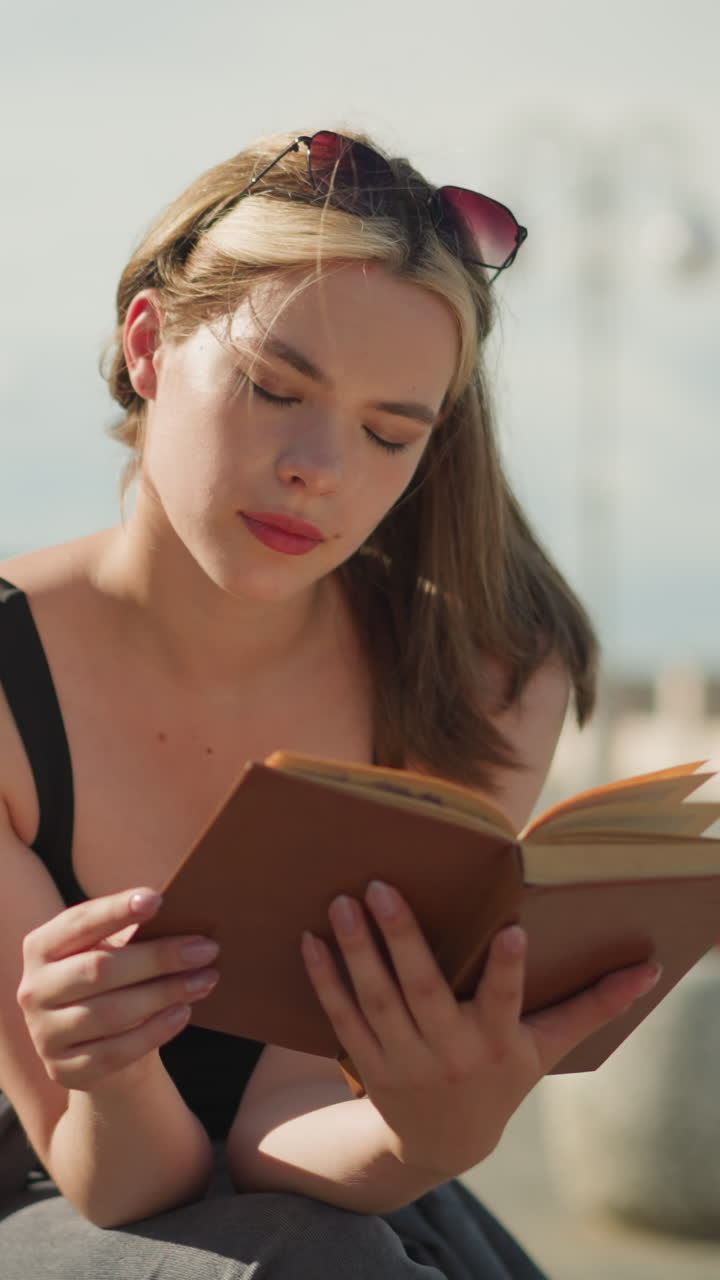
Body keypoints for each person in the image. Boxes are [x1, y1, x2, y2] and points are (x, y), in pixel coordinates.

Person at [0, 128, 660, 1278]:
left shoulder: (479, 682)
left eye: (388, 432)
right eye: (273, 387)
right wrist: (105, 1066)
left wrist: (428, 1128)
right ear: (149, 344)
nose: (321, 465)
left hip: (345, 1203)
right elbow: (113, 1178)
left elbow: (284, 1119)